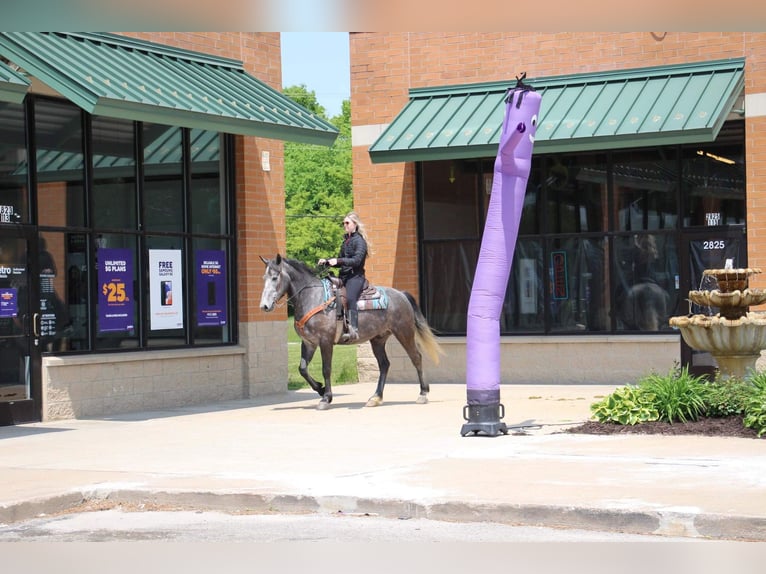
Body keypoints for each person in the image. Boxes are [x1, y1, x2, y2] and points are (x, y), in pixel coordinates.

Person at [318, 211, 370, 341]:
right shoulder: (346, 241)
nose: (344, 225)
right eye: (343, 223)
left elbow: (357, 260)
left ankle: (354, 329)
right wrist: (328, 261)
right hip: (344, 277)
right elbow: (340, 260)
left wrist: (339, 261)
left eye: (347, 223)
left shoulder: (360, 242)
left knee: (351, 298)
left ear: (355, 224)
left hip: (355, 277)